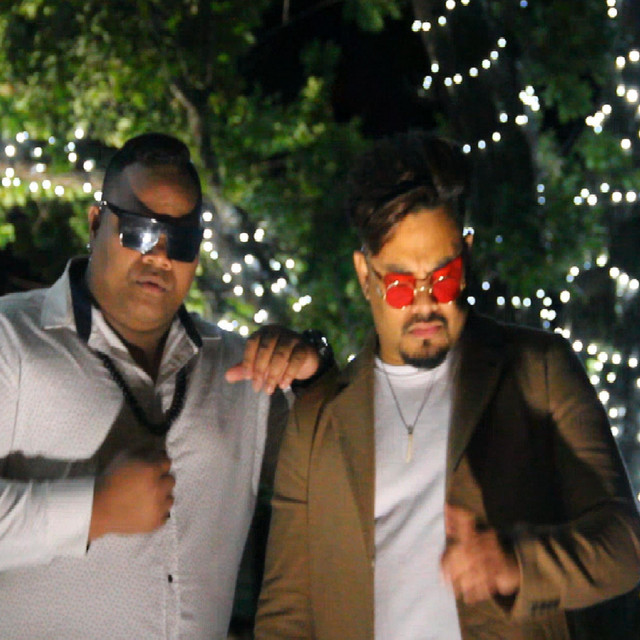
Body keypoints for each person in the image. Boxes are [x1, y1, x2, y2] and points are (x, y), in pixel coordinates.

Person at [254, 131, 640, 639]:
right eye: (399, 284)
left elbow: (626, 545)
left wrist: (520, 564)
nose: (424, 303)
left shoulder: (539, 369)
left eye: (443, 277)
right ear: (365, 276)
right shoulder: (317, 421)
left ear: (467, 257)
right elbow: (285, 617)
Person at [0, 132, 326, 639]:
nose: (159, 256)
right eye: (139, 231)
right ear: (95, 223)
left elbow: (340, 470)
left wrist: (315, 368)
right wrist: (93, 510)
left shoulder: (241, 369)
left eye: (182, 240)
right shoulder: (11, 338)